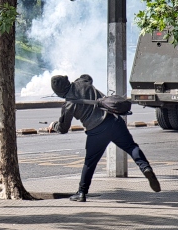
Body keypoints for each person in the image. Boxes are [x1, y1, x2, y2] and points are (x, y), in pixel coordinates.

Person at [47, 74, 161, 202]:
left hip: (96, 131)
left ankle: (81, 193)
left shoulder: (68, 105)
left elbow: (63, 129)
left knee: (90, 163)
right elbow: (87, 77)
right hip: (113, 120)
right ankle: (145, 167)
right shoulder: (82, 83)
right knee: (131, 146)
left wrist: (54, 125)